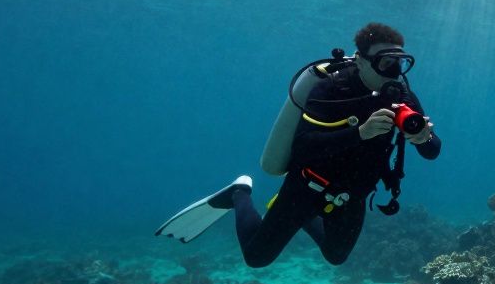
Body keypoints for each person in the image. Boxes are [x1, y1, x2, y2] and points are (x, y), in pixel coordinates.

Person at [156, 22, 442, 267]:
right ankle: (238, 193)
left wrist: (423, 138)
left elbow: (432, 150)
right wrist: (360, 133)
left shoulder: (403, 96)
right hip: (307, 186)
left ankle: (305, 219)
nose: (394, 72)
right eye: (385, 62)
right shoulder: (332, 89)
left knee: (336, 256)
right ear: (360, 60)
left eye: (400, 63)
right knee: (256, 257)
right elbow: (304, 147)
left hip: (351, 195)